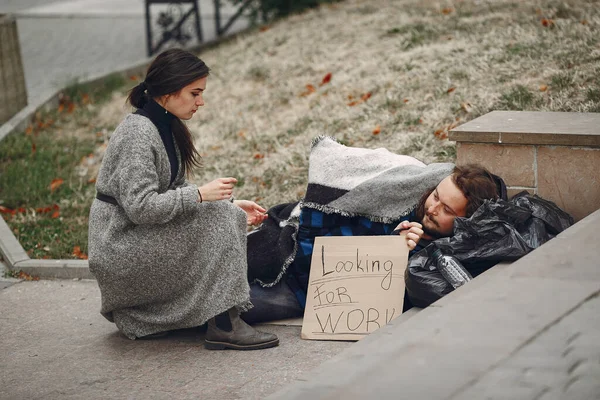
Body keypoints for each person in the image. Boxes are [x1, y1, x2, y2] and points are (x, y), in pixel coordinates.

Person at [88, 48, 279, 350]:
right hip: (120, 248)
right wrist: (202, 196)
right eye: (195, 93)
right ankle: (225, 324)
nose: (200, 102)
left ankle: (169, 317)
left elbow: (173, 191)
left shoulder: (163, 125)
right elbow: (141, 207)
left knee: (224, 215)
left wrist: (227, 203)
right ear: (169, 90)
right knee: (219, 219)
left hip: (137, 238)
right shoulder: (137, 134)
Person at [242, 163, 500, 324]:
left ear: (467, 220)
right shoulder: (406, 203)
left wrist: (398, 252)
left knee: (231, 305)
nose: (432, 208)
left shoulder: (453, 253)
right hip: (296, 242)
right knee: (239, 259)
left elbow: (388, 294)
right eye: (435, 196)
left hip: (310, 289)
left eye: (447, 209)